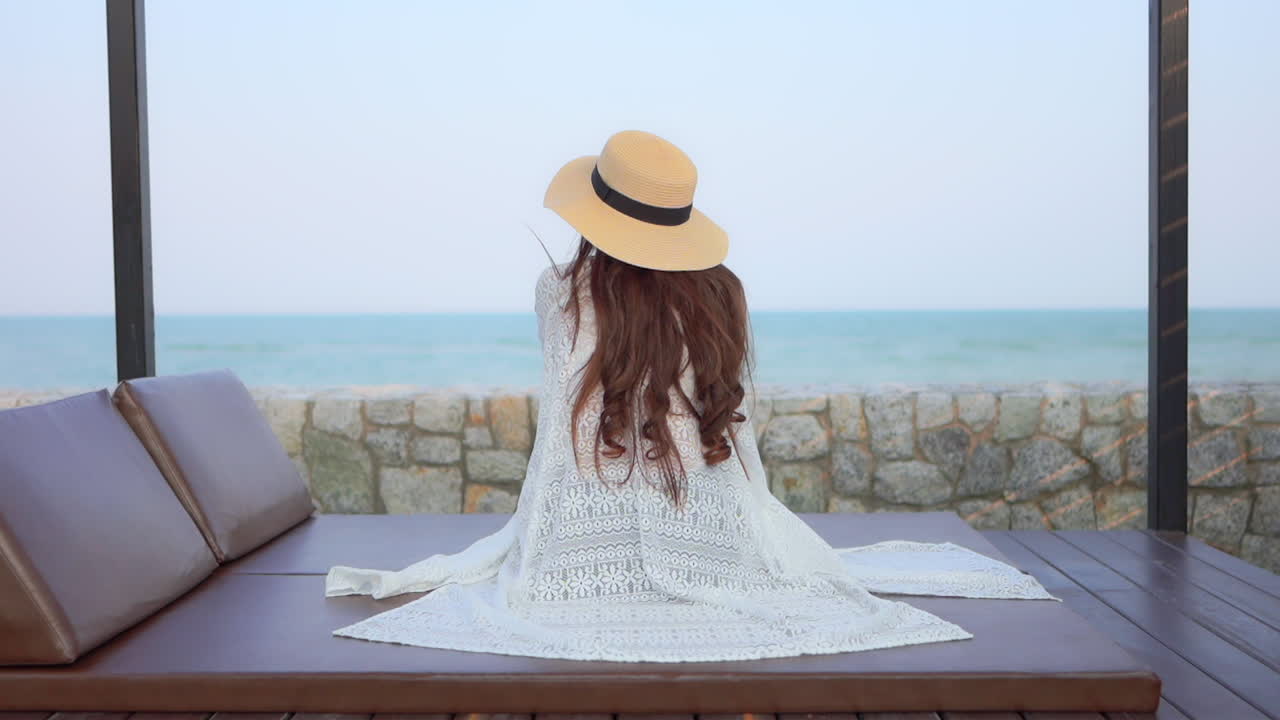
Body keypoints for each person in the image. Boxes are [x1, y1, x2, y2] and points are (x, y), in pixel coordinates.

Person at [323, 130, 1058, 662]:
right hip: (716, 535)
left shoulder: (558, 295)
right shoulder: (722, 297)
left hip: (576, 548)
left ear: (594, 212)